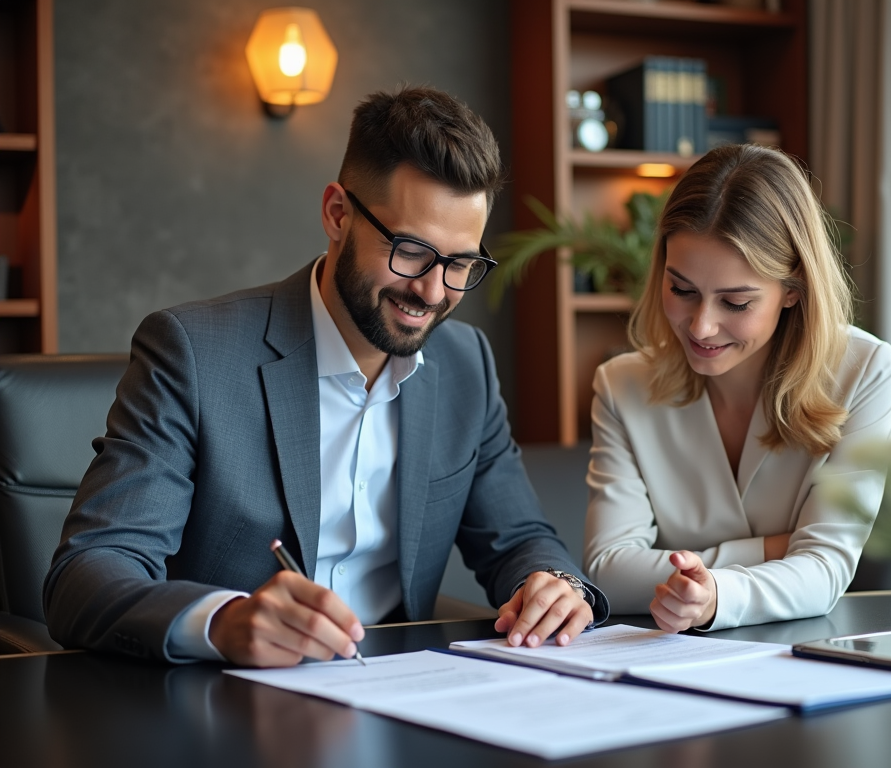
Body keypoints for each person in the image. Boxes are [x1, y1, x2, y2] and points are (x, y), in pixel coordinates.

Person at [44, 86, 608, 666]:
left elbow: (519, 540)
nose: (433, 292)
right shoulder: (192, 354)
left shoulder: (466, 364)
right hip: (227, 704)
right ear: (338, 214)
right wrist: (223, 621)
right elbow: (86, 575)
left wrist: (551, 585)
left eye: (461, 263)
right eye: (412, 251)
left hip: (404, 698)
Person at [583, 144, 891, 632]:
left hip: (808, 658)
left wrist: (715, 593)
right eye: (682, 290)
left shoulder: (866, 371)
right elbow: (607, 570)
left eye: (735, 302)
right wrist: (776, 549)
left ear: (792, 291)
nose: (701, 327)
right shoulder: (621, 385)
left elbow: (824, 571)